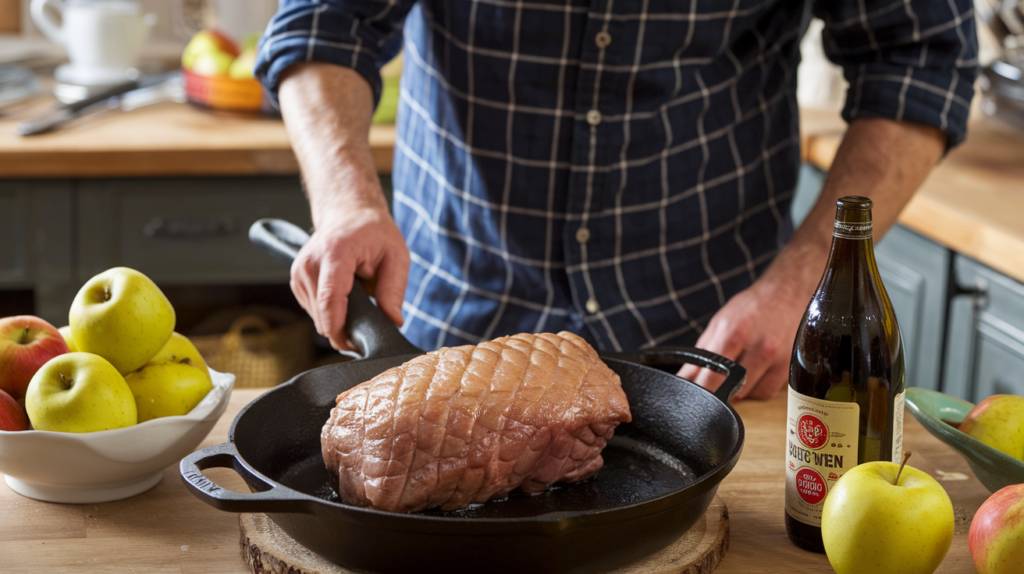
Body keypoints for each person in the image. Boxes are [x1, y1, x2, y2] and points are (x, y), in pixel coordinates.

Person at [254, 1, 977, 400]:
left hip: (718, 354)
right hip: (449, 324)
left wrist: (800, 287)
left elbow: (919, 54)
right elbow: (324, 19)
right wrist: (347, 201)